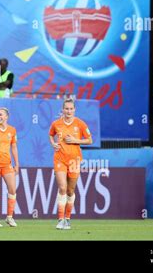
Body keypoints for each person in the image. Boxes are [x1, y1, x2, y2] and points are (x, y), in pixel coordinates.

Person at [49, 98, 93, 230]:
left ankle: (67, 219)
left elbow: (90, 140)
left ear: (74, 110)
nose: (68, 111)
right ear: (62, 110)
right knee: (62, 187)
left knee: (70, 190)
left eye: (71, 109)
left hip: (74, 160)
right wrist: (53, 143)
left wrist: (75, 140)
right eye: (66, 108)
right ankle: (60, 219)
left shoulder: (80, 124)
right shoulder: (56, 124)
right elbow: (51, 135)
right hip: (60, 159)